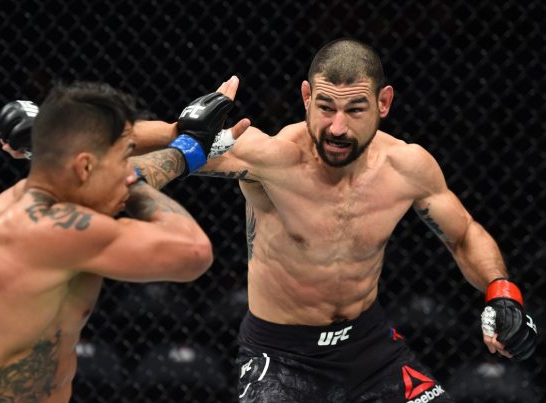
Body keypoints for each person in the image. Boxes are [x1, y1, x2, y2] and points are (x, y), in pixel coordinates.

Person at [128, 39, 538, 402]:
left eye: (355, 109)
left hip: (370, 348)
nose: (337, 128)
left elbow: (463, 234)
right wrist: (180, 133)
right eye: (325, 107)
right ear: (306, 97)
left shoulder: (407, 166)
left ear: (383, 103)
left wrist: (501, 291)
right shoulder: (267, 156)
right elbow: (122, 164)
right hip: (281, 357)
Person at [0, 79, 249, 402]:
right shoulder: (50, 230)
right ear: (85, 166)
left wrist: (182, 138)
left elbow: (107, 149)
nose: (130, 170)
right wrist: (139, 178)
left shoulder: (37, 198)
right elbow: (193, 251)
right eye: (123, 162)